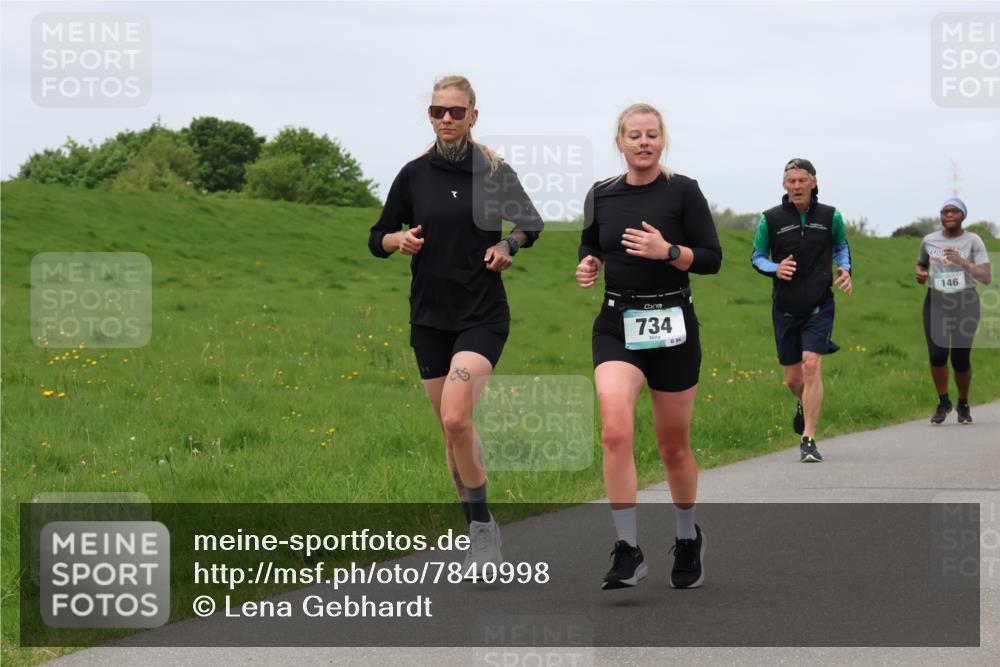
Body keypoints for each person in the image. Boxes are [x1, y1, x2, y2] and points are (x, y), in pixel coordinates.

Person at [368, 75, 543, 576]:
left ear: (473, 116)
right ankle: (476, 526)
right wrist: (398, 241)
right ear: (430, 115)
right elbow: (377, 236)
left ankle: (483, 530)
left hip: (482, 316)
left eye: (456, 111)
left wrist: (507, 245)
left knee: (455, 418)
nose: (446, 118)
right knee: (453, 431)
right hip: (429, 319)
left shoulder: (493, 171)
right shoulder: (413, 175)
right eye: (437, 111)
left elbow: (530, 223)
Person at [576, 103, 722, 590]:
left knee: (672, 444)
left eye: (652, 135)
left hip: (673, 326)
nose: (643, 142)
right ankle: (628, 548)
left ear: (663, 141)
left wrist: (669, 252)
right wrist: (589, 264)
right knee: (615, 429)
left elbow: (712, 258)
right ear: (619, 142)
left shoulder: (684, 191)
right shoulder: (601, 194)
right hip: (617, 324)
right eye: (634, 135)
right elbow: (590, 244)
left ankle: (687, 537)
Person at [751, 158, 852, 463]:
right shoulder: (770, 219)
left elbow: (841, 246)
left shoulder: (830, 216)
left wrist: (844, 268)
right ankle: (804, 402)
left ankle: (808, 439)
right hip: (785, 307)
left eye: (802, 180)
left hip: (819, 304)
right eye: (791, 181)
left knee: (811, 365)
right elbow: (757, 256)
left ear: (813, 183)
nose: (796, 186)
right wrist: (775, 268)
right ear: (784, 185)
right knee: (794, 381)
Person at [916, 198, 992, 424]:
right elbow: (922, 264)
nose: (949, 214)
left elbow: (986, 277)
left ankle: (963, 402)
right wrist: (920, 273)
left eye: (954, 211)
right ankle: (943, 401)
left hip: (965, 301)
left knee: (960, 359)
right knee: (937, 354)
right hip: (936, 300)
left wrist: (962, 262)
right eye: (945, 211)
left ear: (963, 216)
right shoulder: (929, 240)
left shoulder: (973, 240)